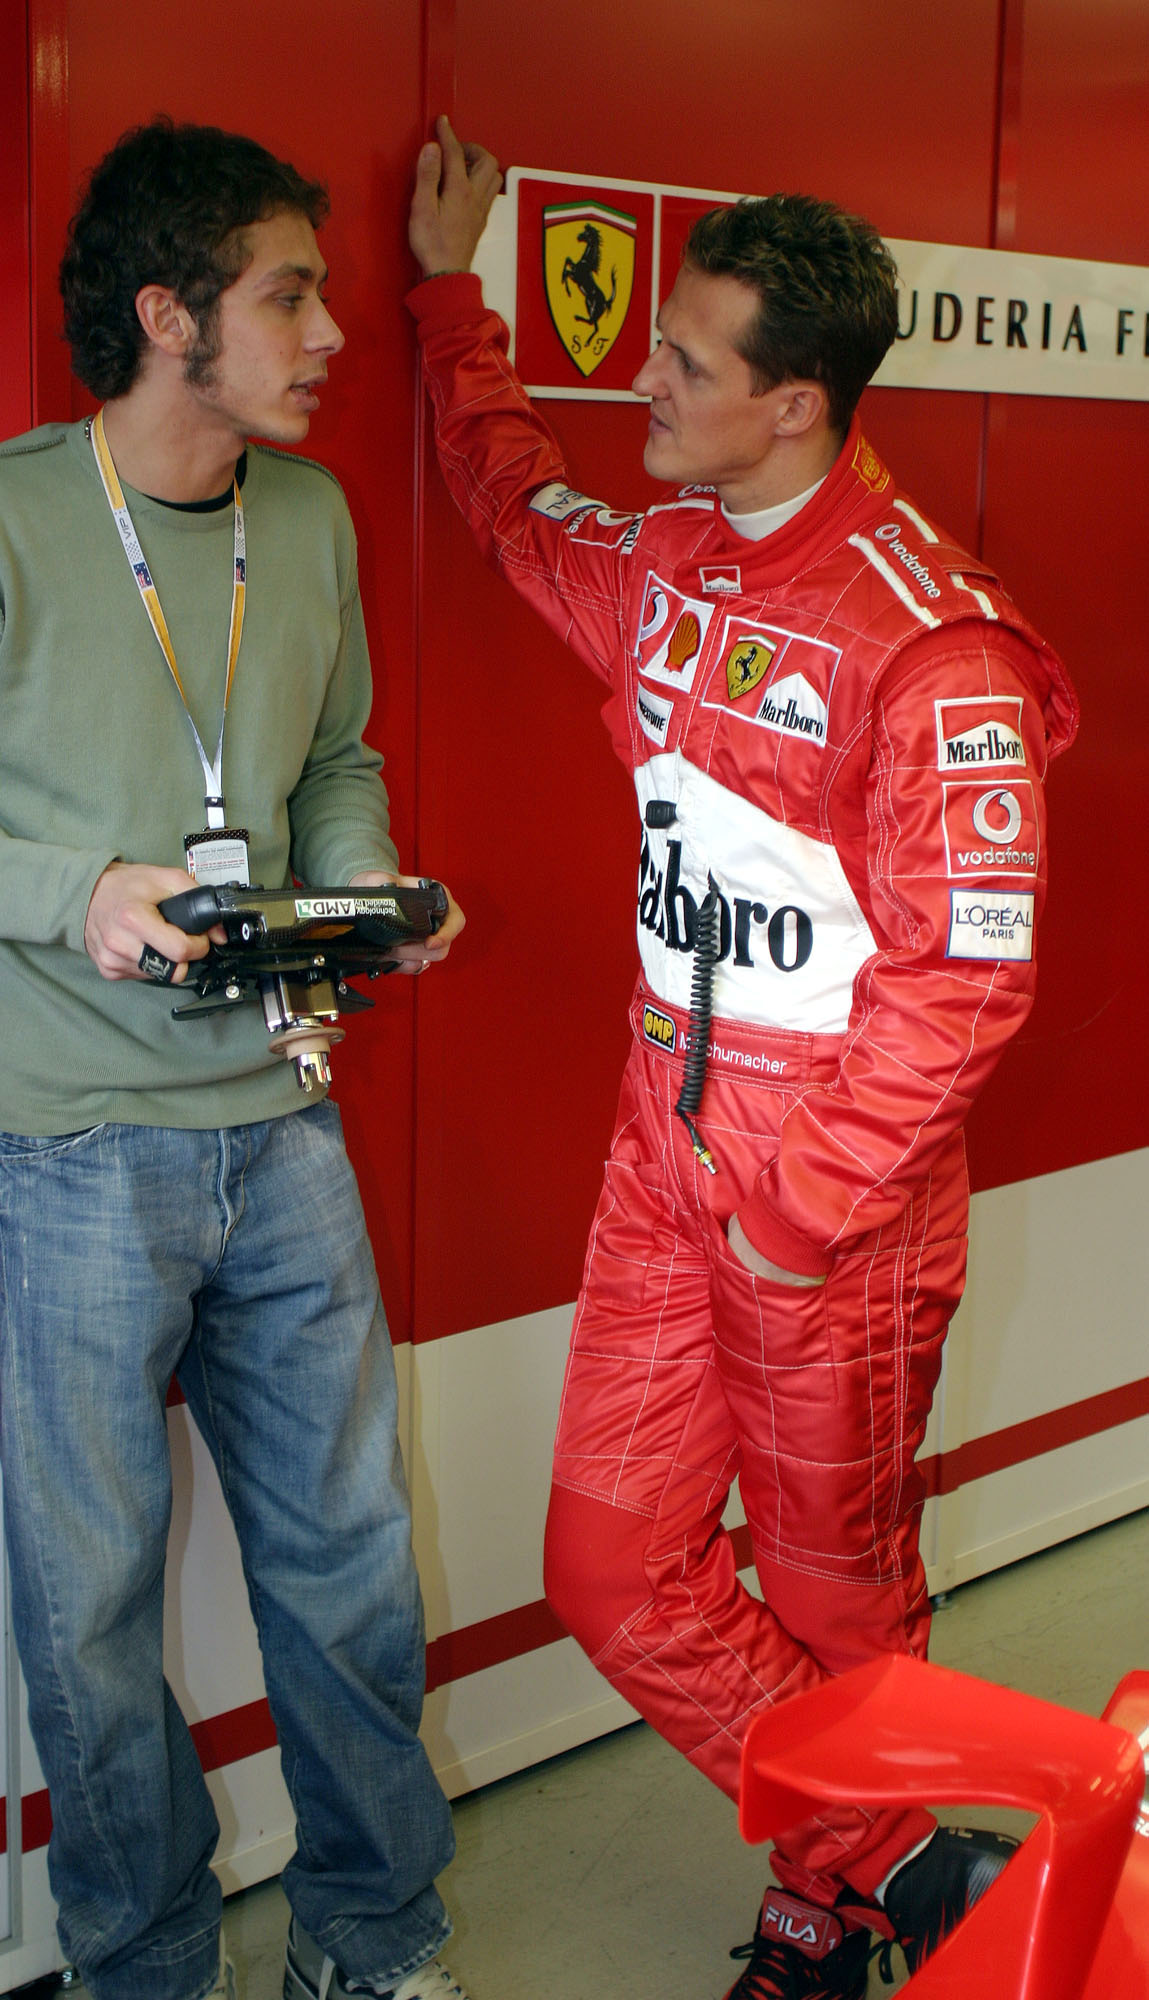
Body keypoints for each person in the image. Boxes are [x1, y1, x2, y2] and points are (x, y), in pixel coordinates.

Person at [406, 118, 1076, 2000]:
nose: (647, 376)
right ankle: (911, 1862)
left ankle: (826, 1915)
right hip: (657, 1144)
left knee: (837, 1595)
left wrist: (794, 1216)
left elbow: (964, 987)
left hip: (826, 1197)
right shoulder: (670, 557)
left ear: (795, 405)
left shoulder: (935, 649)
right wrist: (449, 303)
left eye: (687, 361)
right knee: (611, 1568)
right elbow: (509, 503)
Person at [0, 119, 471, 2000]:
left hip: (282, 1128)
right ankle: (144, 1968)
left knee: (349, 1576)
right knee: (91, 1614)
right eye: (291, 292)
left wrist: (360, 893)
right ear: (169, 312)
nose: (331, 328)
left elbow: (331, 757)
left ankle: (369, 1944)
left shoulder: (314, 517)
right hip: (73, 1150)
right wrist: (74, 890)